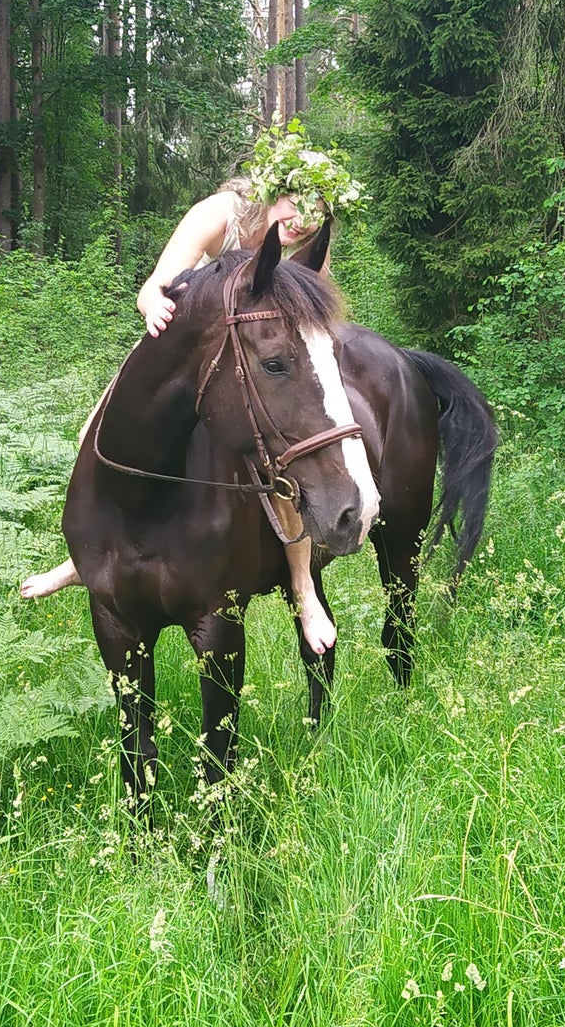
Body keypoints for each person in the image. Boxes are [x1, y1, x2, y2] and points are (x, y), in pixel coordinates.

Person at [20, 130, 366, 656]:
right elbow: (157, 283)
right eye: (301, 202)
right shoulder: (220, 214)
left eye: (319, 212)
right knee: (100, 425)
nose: (305, 220)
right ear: (275, 187)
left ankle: (302, 586)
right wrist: (152, 306)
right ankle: (86, 550)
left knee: (280, 460)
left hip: (245, 367)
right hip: (184, 350)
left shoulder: (300, 254)